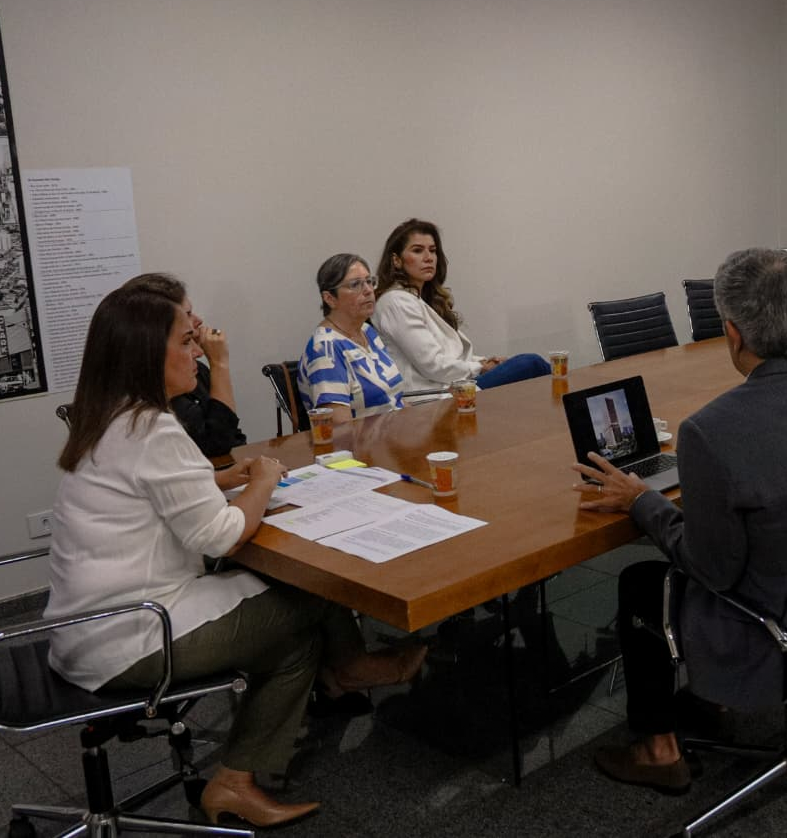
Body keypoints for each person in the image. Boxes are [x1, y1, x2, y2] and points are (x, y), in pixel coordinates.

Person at [46, 286, 427, 827]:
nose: (199, 351)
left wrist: (221, 476)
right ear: (149, 354)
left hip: (87, 626)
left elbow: (158, 489)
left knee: (296, 598)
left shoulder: (111, 416)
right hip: (130, 638)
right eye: (186, 341)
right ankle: (240, 777)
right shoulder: (152, 429)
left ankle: (345, 670)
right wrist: (264, 478)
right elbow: (222, 535)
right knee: (300, 623)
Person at [572, 248, 787, 794]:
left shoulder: (712, 431)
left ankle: (660, 750)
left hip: (779, 624)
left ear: (731, 333)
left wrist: (642, 501)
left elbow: (712, 570)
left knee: (642, 583)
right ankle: (710, 703)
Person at [371, 218, 550, 391]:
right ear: (396, 260)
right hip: (433, 396)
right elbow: (432, 364)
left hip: (456, 384)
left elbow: (451, 356)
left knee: (524, 375)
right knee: (530, 363)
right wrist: (480, 367)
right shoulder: (395, 301)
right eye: (418, 251)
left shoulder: (419, 299)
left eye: (432, 250)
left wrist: (486, 362)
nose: (428, 258)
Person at [120, 273, 246, 458]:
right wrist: (219, 364)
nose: (198, 320)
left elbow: (234, 435)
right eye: (187, 314)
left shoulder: (193, 369)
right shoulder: (152, 401)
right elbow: (216, 444)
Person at [298, 253, 405, 424]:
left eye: (369, 281)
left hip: (396, 435)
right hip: (363, 446)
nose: (369, 290)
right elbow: (341, 429)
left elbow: (395, 399)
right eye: (355, 285)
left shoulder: (367, 331)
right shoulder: (325, 349)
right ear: (330, 298)